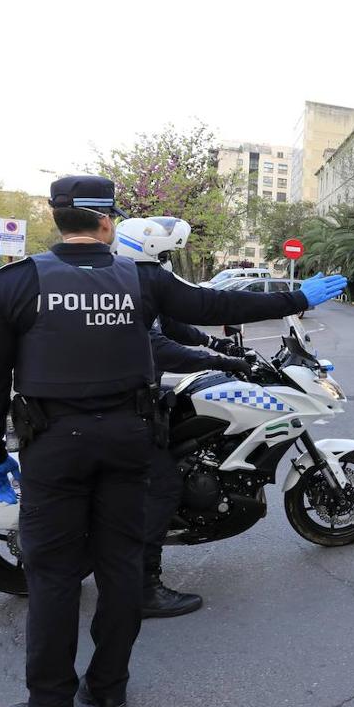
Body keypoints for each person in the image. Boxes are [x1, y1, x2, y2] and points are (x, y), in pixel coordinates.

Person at [0, 175, 346, 707]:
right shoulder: (141, 278)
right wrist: (297, 297)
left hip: (53, 446)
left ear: (55, 217)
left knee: (53, 578)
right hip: (130, 439)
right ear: (107, 220)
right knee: (121, 568)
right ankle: (109, 690)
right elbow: (217, 303)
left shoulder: (13, 285)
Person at [117, 214, 248, 618]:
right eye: (169, 251)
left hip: (136, 398)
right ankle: (144, 588)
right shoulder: (136, 284)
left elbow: (175, 326)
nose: (173, 259)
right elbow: (160, 346)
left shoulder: (132, 281)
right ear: (151, 250)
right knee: (163, 484)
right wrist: (222, 360)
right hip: (125, 407)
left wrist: (214, 343)